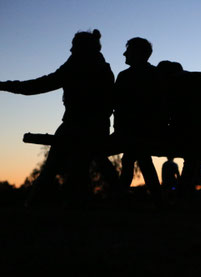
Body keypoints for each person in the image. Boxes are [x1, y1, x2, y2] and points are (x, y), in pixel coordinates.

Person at [0, 29, 119, 206]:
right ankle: (112, 198)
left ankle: (33, 204)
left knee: (53, 167)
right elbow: (110, 103)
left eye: (73, 46)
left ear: (81, 48)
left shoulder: (75, 67)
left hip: (76, 125)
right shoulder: (104, 68)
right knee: (88, 163)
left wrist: (4, 86)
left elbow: (39, 85)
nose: (70, 50)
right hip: (97, 126)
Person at [157, 60, 201, 196]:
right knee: (198, 163)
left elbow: (170, 115)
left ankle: (181, 197)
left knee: (192, 162)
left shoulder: (177, 87)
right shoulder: (197, 84)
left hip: (191, 136)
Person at [113, 37, 163, 203]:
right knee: (139, 159)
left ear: (137, 53)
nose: (124, 54)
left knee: (132, 158)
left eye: (128, 51)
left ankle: (121, 196)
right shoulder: (155, 74)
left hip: (133, 132)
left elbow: (116, 103)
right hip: (146, 131)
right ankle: (156, 199)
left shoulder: (125, 76)